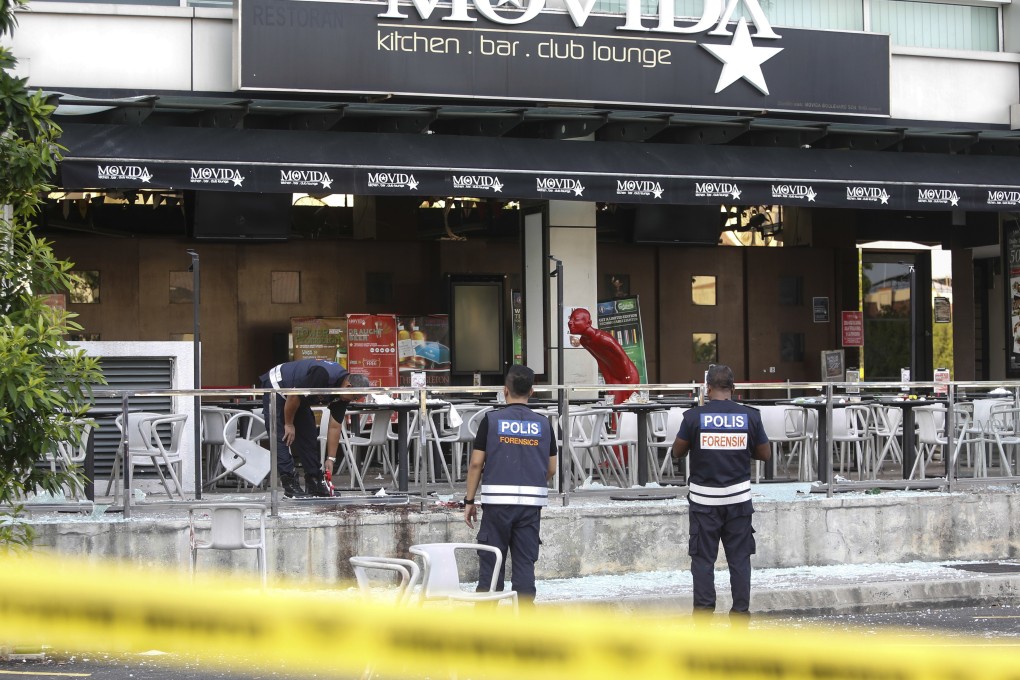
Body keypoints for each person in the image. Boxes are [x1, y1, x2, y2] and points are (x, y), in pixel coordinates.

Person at [671, 364, 770, 624]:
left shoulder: (694, 417)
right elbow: (765, 454)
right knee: (739, 560)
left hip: (704, 503)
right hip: (738, 501)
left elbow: (676, 452)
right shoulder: (750, 416)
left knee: (703, 562)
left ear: (707, 388)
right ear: (733, 389)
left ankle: (703, 620)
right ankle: (740, 616)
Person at [463, 365, 558, 605]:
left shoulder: (491, 420)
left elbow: (476, 464)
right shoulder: (544, 424)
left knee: (491, 564)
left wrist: (469, 501)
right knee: (525, 564)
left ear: (505, 390)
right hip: (530, 506)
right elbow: (552, 468)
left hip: (496, 505)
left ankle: (485, 629)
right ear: (532, 391)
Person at [258, 359, 369, 497]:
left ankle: (314, 480)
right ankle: (289, 482)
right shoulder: (322, 375)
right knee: (282, 436)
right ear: (348, 386)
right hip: (279, 386)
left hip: (298, 396)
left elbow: (335, 426)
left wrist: (331, 458)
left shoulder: (342, 393)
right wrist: (289, 424)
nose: (353, 400)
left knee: (309, 434)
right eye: (355, 396)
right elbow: (293, 395)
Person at [567, 308, 639, 404]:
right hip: (613, 376)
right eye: (570, 319)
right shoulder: (584, 341)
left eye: (576, 319)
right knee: (615, 408)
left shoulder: (603, 337)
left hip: (628, 374)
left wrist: (627, 375)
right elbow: (600, 359)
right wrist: (607, 377)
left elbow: (622, 356)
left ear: (589, 323)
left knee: (630, 408)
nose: (570, 322)